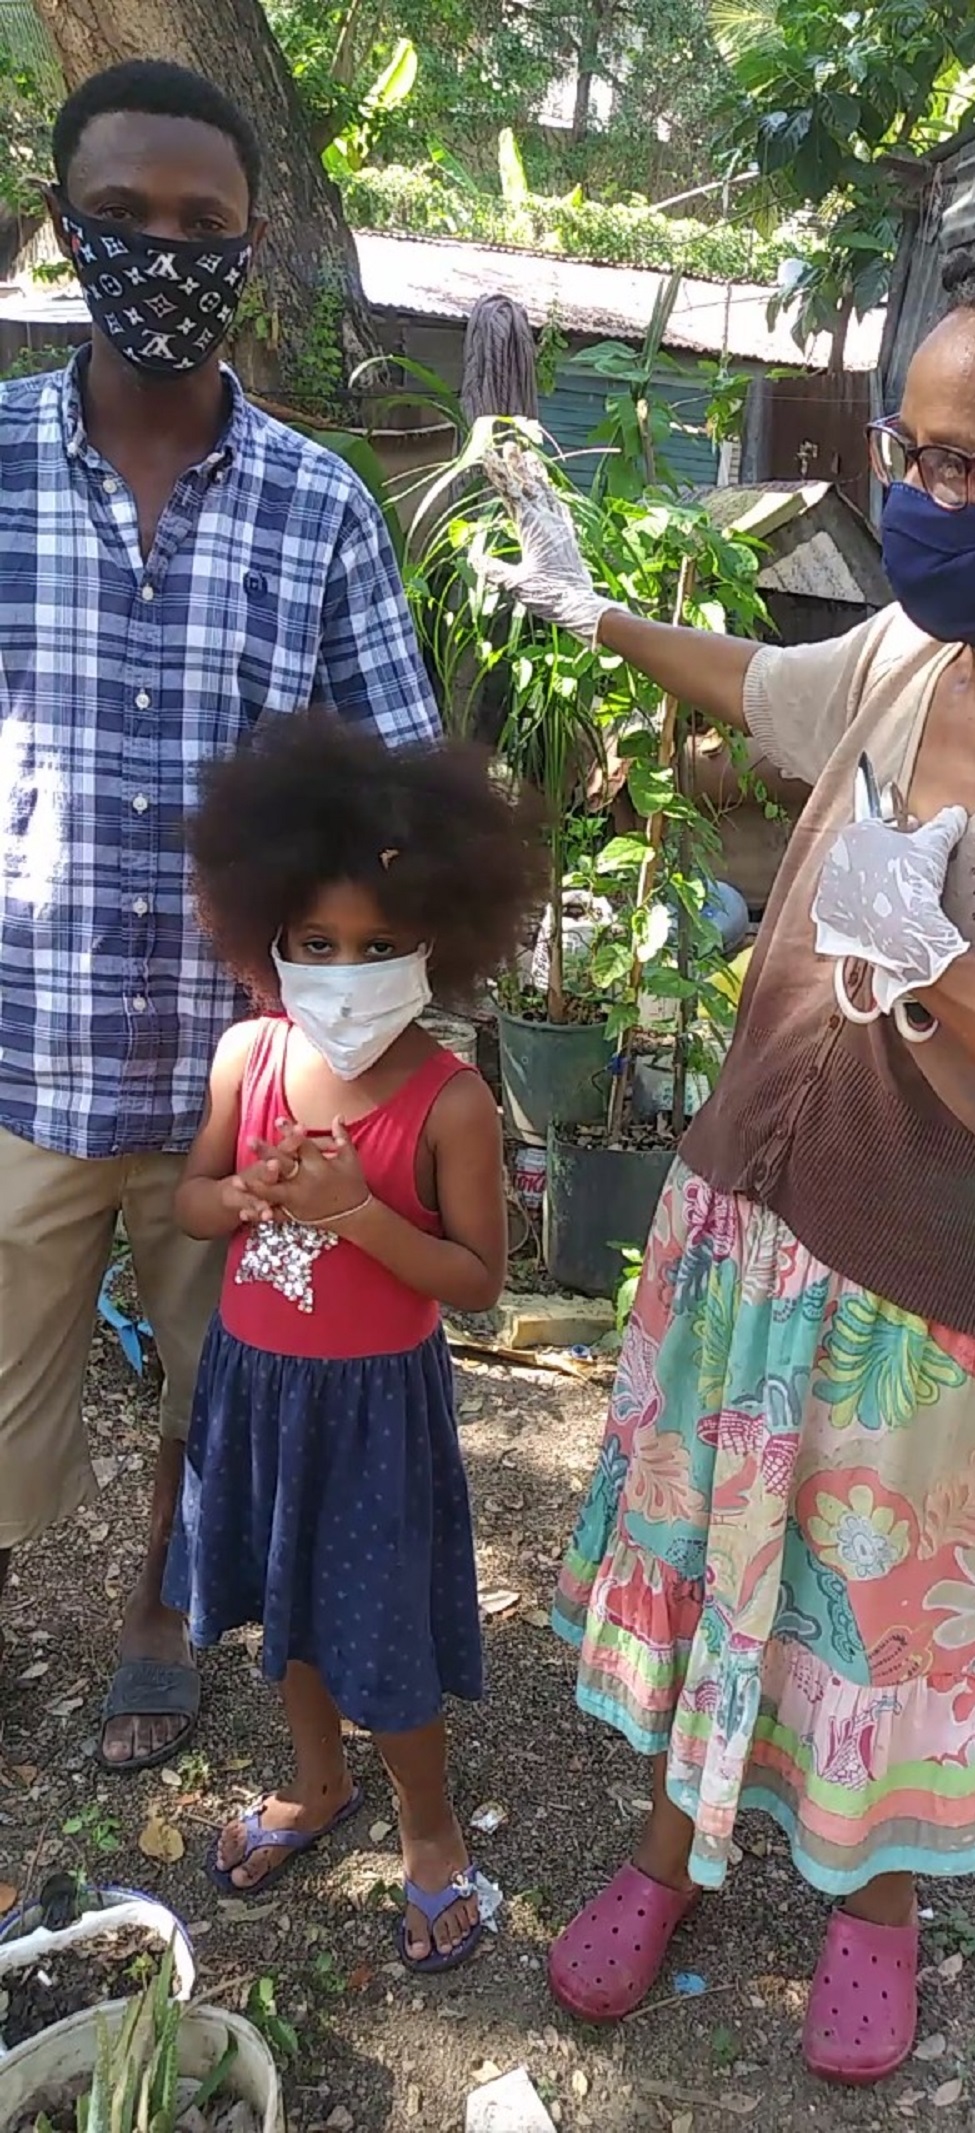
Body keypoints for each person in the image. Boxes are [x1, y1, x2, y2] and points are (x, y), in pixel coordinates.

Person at [484, 224, 975, 2081]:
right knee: (720, 1555)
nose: (916, 496)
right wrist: (593, 617)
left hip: (940, 1303)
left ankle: (871, 1898)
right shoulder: (901, 652)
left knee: (884, 1619)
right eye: (910, 445)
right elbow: (767, 690)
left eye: (965, 466)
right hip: (743, 1221)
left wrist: (942, 964)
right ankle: (672, 1847)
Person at [0, 60, 440, 1773]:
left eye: (204, 228)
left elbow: (399, 782)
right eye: (123, 219)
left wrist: (372, 1035)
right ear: (61, 231)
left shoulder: (320, 504)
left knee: (219, 1371)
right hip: (18, 1043)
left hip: (241, 1080)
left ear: (251, 250)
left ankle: (163, 1610)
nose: (163, 255)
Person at [161, 710, 542, 1967]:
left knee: (381, 1624)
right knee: (289, 1614)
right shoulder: (248, 1055)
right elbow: (191, 1201)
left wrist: (355, 1213)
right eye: (316, 942)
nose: (343, 966)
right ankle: (316, 1783)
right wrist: (250, 1195)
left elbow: (477, 1282)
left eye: (377, 946)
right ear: (264, 929)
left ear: (438, 939)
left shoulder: (452, 1099)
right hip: (258, 1392)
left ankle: (431, 1833)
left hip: (376, 1408)